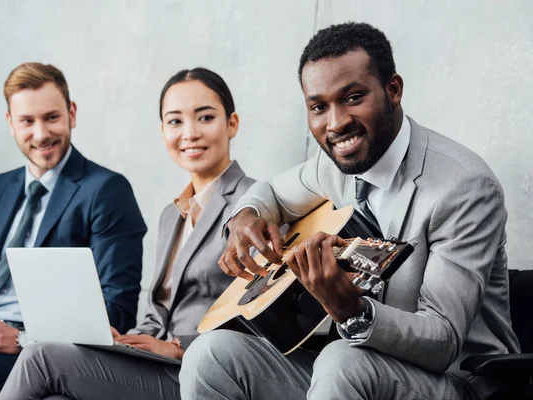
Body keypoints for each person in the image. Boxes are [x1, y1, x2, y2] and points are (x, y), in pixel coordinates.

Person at [179, 22, 519, 400]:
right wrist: (244, 216)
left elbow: (444, 341)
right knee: (209, 356)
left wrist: (351, 309)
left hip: (457, 382)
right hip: (350, 370)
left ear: (393, 90)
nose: (336, 123)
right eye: (318, 107)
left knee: (342, 360)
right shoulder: (334, 165)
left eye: (353, 97)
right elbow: (271, 191)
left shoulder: (464, 187)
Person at [0, 67, 255, 400]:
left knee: (41, 357)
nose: (189, 133)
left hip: (201, 371)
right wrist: (124, 340)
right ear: (163, 131)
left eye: (205, 118)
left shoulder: (254, 205)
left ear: (231, 124)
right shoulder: (170, 215)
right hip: (151, 361)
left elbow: (265, 313)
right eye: (175, 121)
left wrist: (179, 346)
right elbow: (158, 310)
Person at [0, 62, 146, 400]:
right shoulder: (0, 188)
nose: (41, 134)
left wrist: (22, 338)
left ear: (71, 114)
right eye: (27, 121)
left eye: (51, 117)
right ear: (10, 124)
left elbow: (117, 308)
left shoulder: (106, 191)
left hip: (28, 353)